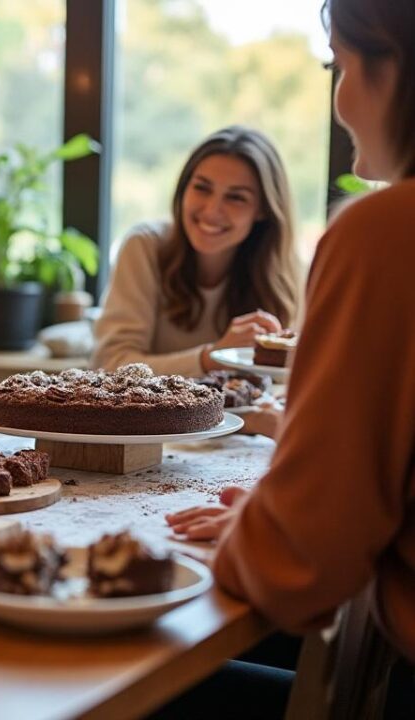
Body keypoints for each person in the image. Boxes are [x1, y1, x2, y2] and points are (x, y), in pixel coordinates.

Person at [154, 0, 415, 715]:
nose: (340, 98)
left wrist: (267, 531)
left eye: (340, 64)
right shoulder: (147, 252)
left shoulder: (384, 233)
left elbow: (302, 562)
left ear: (393, 69)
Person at [92, 126, 302, 381]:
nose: (212, 210)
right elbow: (109, 364)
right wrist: (212, 357)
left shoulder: (286, 273)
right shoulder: (144, 246)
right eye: (202, 188)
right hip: (152, 419)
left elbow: (293, 378)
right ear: (184, 189)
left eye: (236, 197)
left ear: (263, 210)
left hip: (246, 420)